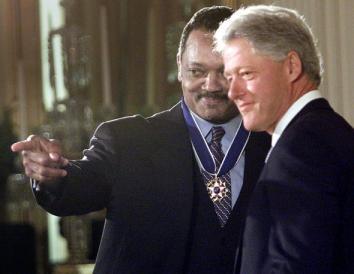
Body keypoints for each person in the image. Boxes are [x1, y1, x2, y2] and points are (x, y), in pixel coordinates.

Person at [11, 6, 270, 274]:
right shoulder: (128, 141)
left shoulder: (275, 145)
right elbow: (79, 187)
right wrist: (54, 176)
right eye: (197, 71)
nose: (211, 85)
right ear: (180, 67)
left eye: (224, 72)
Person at [214, 5, 354, 274]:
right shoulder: (327, 133)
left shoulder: (302, 149)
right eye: (230, 78)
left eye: (246, 74)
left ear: (291, 67)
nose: (233, 92)